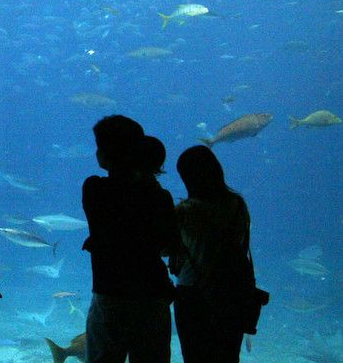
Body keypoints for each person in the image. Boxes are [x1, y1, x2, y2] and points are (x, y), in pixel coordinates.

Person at [81, 116, 177, 363]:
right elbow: (168, 247)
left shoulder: (95, 189)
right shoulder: (159, 197)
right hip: (153, 295)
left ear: (104, 153)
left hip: (111, 293)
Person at [170, 145, 253, 363]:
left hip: (192, 293)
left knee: (194, 354)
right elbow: (241, 243)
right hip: (231, 292)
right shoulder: (237, 204)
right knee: (227, 355)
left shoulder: (184, 210)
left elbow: (165, 248)